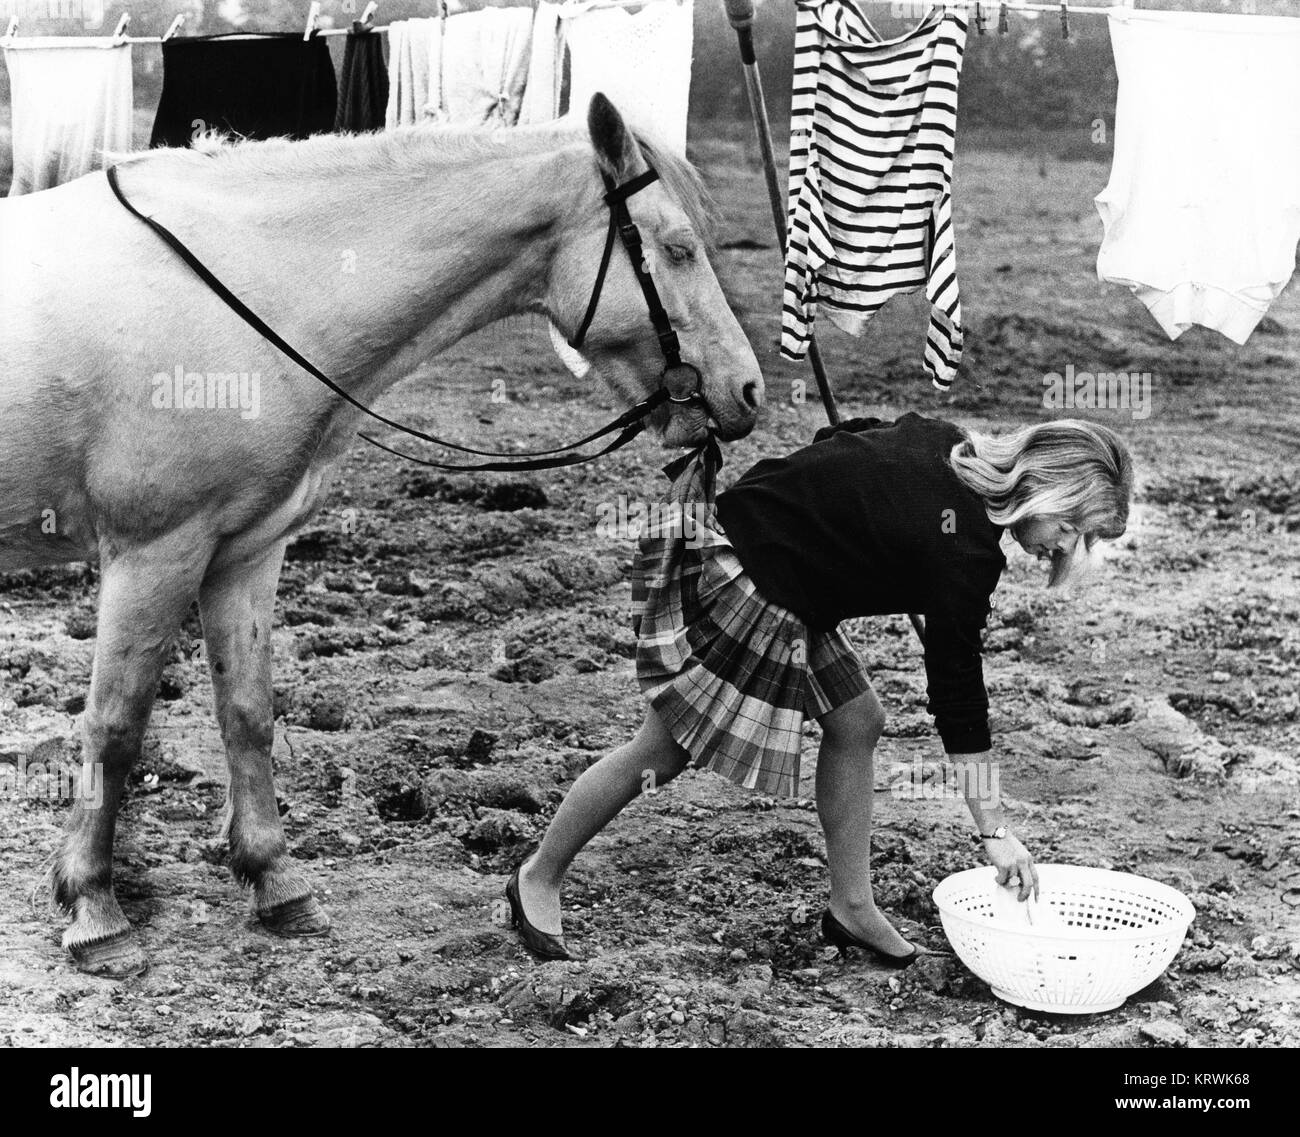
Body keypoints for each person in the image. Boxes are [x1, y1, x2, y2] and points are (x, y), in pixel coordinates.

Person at [505, 413, 1134, 963]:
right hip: (752, 574)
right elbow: (958, 700)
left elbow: (842, 435)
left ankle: (851, 905)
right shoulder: (966, 552)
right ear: (1047, 489)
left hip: (786, 570)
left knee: (857, 721)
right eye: (1075, 529)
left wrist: (853, 526)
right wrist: (994, 830)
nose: (1065, 549)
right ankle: (539, 875)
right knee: (662, 752)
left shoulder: (947, 445)